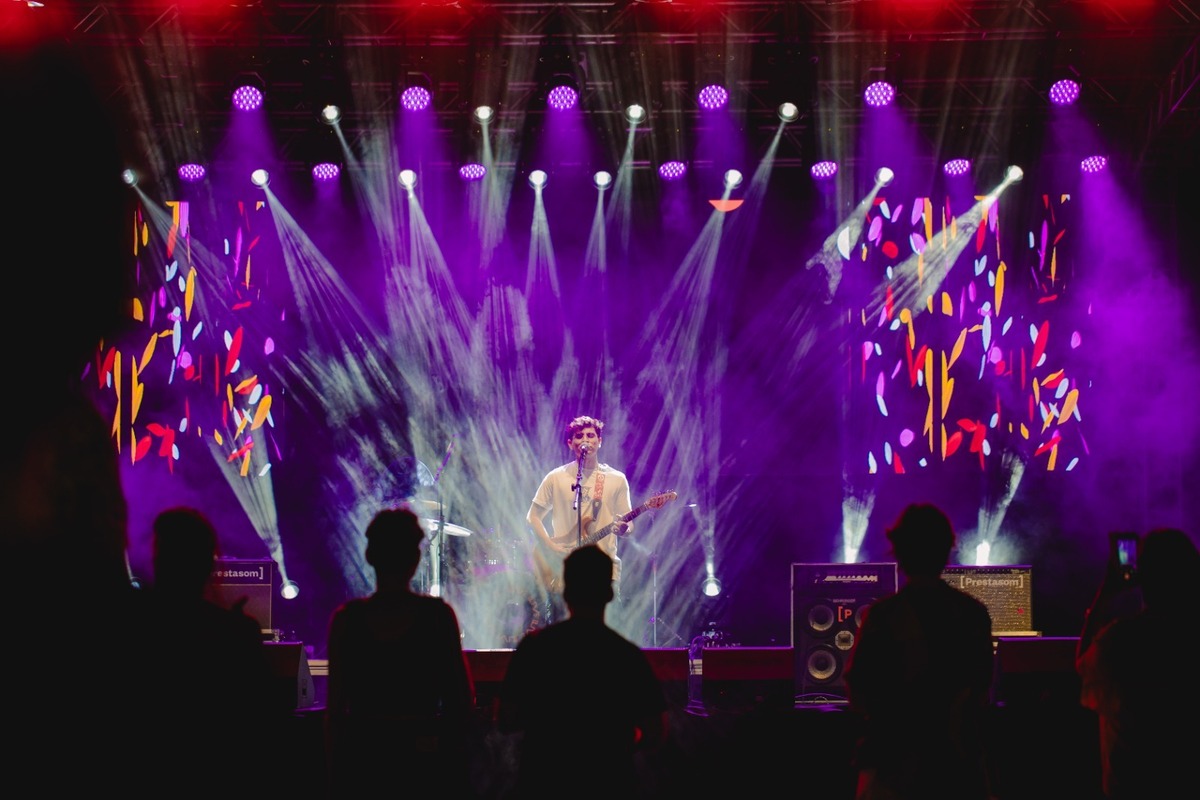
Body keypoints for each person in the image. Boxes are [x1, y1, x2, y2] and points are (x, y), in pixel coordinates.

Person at [843, 502, 996, 800]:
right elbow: (982, 689)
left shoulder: (883, 616)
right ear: (947, 550)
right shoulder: (972, 613)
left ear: (898, 552)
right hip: (956, 765)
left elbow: (858, 688)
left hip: (892, 767)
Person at [324, 506, 477, 797]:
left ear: (370, 556)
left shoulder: (347, 620)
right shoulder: (437, 616)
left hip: (364, 764)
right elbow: (461, 703)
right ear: (417, 558)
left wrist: (333, 782)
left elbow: (334, 714)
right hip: (423, 766)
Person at [497, 544, 668, 799]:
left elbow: (507, 718)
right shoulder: (627, 656)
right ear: (609, 593)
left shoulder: (535, 648)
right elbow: (655, 731)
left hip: (544, 781)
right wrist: (620, 739)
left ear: (566, 592)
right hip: (609, 782)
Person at [1076, 527, 1200, 799]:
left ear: (1143, 574)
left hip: (1133, 786)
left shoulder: (1121, 639)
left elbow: (1082, 667)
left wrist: (1103, 598)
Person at [527, 415, 633, 623]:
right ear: (570, 443)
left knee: (605, 631)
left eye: (591, 435)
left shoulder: (616, 479)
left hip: (605, 568)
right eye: (579, 436)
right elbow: (533, 516)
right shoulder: (555, 477)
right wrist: (551, 547)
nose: (586, 439)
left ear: (599, 441)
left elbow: (628, 522)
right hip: (565, 568)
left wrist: (624, 529)